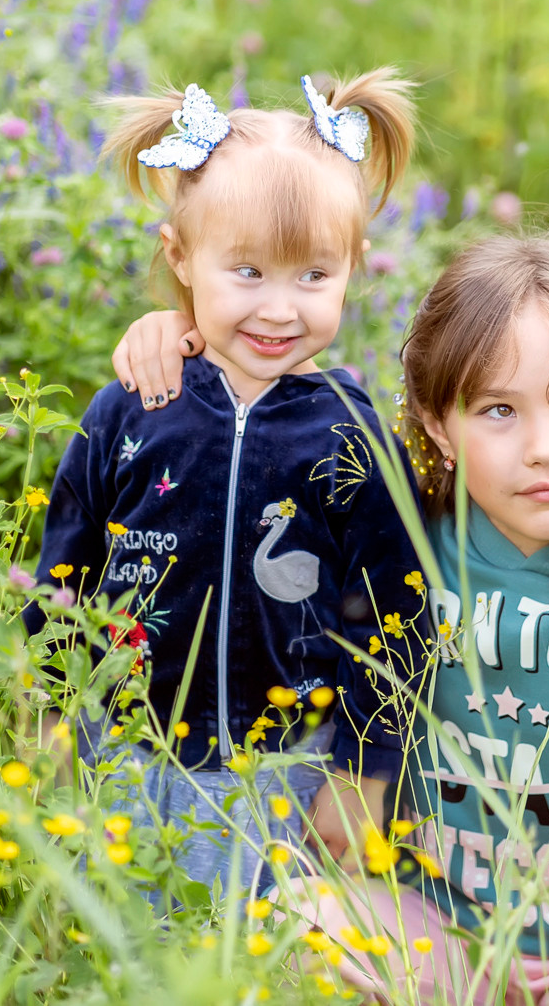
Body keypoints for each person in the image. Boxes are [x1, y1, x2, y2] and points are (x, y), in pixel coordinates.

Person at [112, 231, 549, 1005]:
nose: (545, 448)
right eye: (498, 409)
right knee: (290, 928)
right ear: (435, 424)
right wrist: (186, 348)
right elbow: (258, 457)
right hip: (436, 930)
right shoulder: (398, 546)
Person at [23, 70, 428, 899]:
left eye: (314, 276)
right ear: (181, 257)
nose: (280, 309)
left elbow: (396, 615)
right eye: (246, 272)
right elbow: (65, 562)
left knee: (262, 965)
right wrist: (51, 709)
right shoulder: (134, 405)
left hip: (283, 774)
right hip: (125, 754)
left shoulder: (353, 438)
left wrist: (363, 775)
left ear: (353, 265)